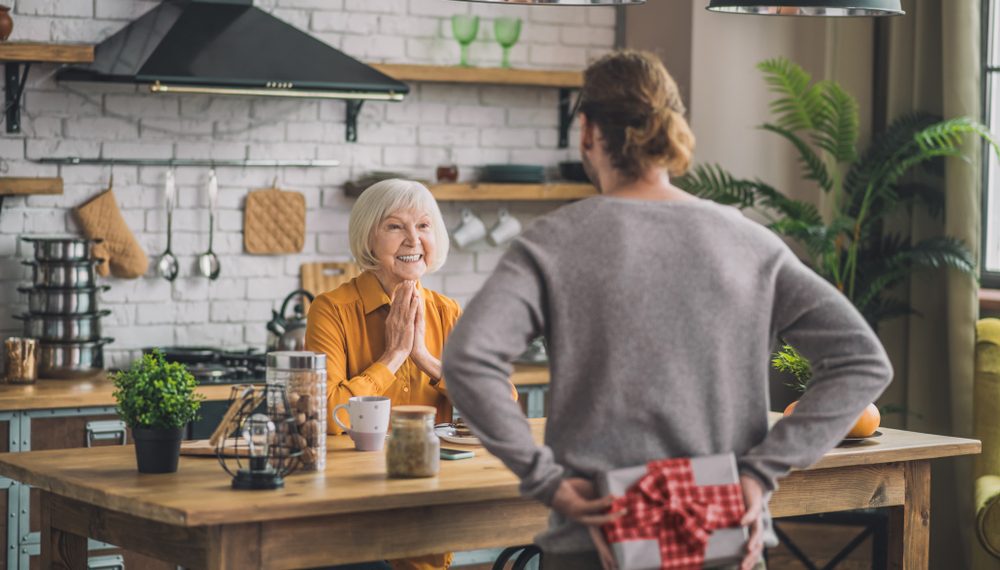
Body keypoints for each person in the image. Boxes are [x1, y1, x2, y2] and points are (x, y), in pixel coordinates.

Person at [441, 50, 893, 570]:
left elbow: (468, 359)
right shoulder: (748, 242)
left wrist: (547, 480)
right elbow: (863, 362)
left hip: (598, 541)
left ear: (587, 131)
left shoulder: (555, 242)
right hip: (724, 539)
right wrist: (759, 473)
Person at [305, 178, 457, 570]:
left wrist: (424, 357)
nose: (412, 239)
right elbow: (327, 415)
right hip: (351, 512)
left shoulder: (447, 312)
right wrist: (393, 356)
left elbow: (500, 405)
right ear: (368, 239)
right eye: (394, 226)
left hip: (427, 500)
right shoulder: (331, 309)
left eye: (423, 226)